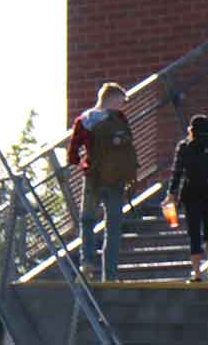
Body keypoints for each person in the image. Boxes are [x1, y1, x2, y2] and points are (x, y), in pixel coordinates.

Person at [66, 82, 137, 282]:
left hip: (93, 178)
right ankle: (110, 275)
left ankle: (87, 262)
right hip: (116, 179)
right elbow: (129, 144)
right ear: (112, 99)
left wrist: (82, 163)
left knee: (87, 221)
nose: (123, 106)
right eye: (121, 102)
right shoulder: (119, 119)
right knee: (113, 226)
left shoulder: (84, 120)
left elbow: (72, 154)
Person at [165, 115, 208, 283]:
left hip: (191, 193)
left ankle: (197, 274)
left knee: (194, 233)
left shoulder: (185, 146)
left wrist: (171, 194)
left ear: (191, 130)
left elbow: (177, 172)